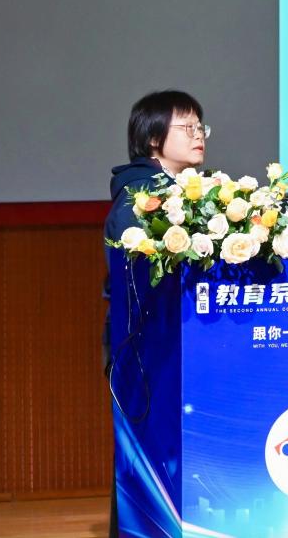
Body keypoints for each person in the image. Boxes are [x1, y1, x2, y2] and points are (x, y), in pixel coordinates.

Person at [103, 90, 209, 538]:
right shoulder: (137, 196)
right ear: (152, 138)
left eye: (201, 126)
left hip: (182, 342)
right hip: (148, 348)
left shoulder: (194, 193)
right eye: (187, 127)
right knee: (147, 457)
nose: (198, 135)